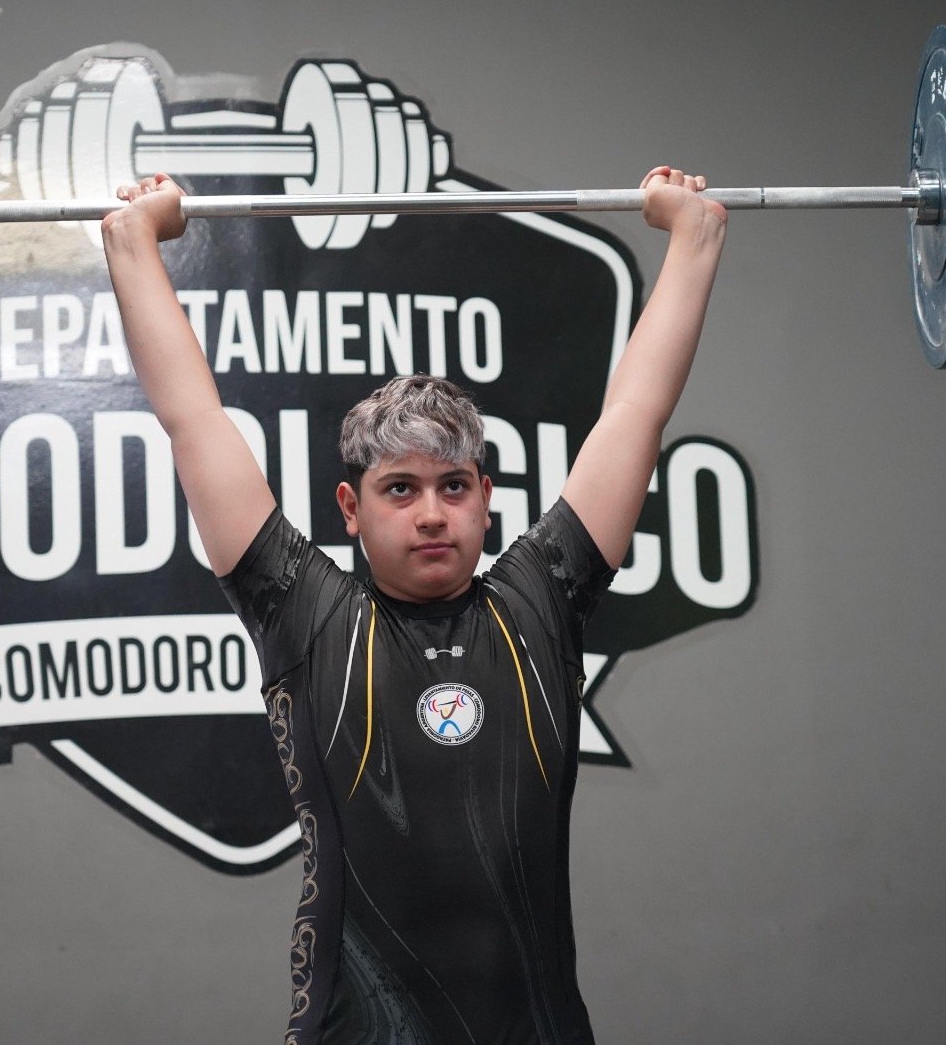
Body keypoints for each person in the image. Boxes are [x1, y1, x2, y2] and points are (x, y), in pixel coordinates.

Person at [102, 167, 725, 1044]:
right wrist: (132, 242)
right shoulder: (306, 613)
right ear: (351, 510)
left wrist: (695, 238)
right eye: (400, 488)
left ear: (486, 500)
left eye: (452, 486)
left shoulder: (541, 602)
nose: (432, 513)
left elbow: (637, 411)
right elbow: (193, 418)